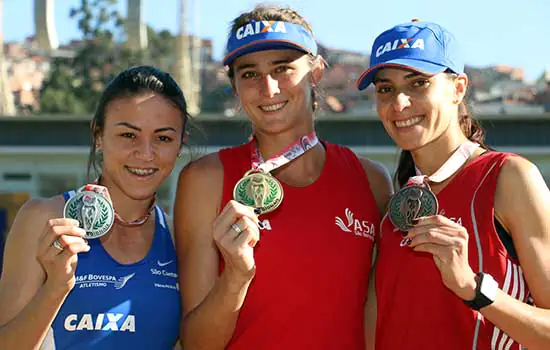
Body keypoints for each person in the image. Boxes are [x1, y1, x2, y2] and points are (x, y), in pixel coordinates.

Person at [174, 5, 392, 350]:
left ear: (316, 71)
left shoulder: (372, 181)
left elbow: (376, 320)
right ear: (234, 86)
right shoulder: (205, 180)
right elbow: (197, 344)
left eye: (283, 68)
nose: (269, 88)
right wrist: (235, 278)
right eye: (249, 74)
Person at [357, 20, 550, 349]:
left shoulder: (509, 177)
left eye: (418, 83)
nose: (399, 103)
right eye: (385, 88)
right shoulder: (395, 209)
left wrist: (473, 287)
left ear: (458, 88)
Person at [0, 66, 188, 349]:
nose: (146, 153)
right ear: (98, 135)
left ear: (180, 145)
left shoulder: (179, 238)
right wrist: (55, 289)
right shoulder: (45, 218)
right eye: (128, 135)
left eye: (163, 138)